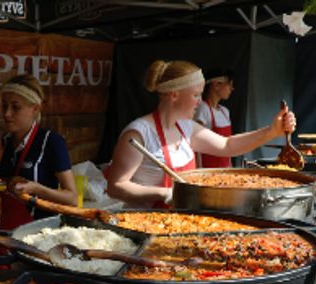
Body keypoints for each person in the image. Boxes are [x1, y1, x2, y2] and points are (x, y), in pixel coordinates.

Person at [105, 60, 296, 209]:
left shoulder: (186, 127)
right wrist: (164, 193)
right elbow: (116, 186)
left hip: (182, 221)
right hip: (144, 226)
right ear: (174, 94)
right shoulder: (139, 133)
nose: (199, 102)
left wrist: (272, 131)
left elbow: (227, 146)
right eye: (196, 95)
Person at [0, 74, 78, 230]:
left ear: (35, 108)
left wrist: (36, 189)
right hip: (12, 227)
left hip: (43, 231)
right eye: (4, 106)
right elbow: (9, 187)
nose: (7, 114)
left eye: (15, 107)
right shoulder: (7, 140)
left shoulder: (51, 141)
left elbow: (72, 198)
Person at [194, 67, 236, 168]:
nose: (232, 88)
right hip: (208, 170)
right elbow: (196, 145)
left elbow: (228, 147)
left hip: (225, 170)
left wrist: (230, 168)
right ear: (216, 85)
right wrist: (199, 171)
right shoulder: (203, 109)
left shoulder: (225, 111)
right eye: (229, 84)